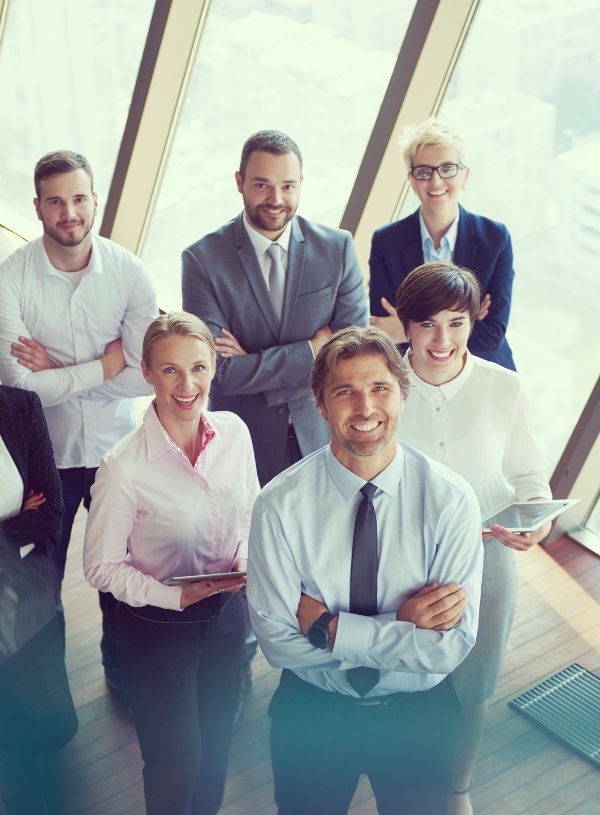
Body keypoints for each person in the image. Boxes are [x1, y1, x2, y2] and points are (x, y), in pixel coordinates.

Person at [248, 326, 484, 815]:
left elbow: (449, 647)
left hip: (418, 717)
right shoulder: (277, 505)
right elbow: (276, 643)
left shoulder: (452, 501)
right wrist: (404, 626)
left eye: (380, 388)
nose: (365, 408)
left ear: (403, 395)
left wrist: (328, 627)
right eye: (345, 392)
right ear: (319, 403)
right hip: (313, 712)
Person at [83, 312, 259, 815]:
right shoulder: (123, 467)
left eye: (199, 368)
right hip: (157, 629)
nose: (188, 385)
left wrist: (243, 560)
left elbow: (251, 508)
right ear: (146, 371)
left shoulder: (235, 433)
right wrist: (174, 595)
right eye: (170, 371)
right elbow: (100, 568)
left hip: (227, 616)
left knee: (218, 748)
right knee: (177, 761)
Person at [394, 262, 552, 815]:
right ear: (406, 324)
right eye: (429, 324)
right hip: (398, 557)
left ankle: (457, 788)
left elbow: (531, 478)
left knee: (475, 683)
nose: (443, 340)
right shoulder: (381, 384)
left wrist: (537, 520)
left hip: (486, 556)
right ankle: (396, 779)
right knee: (398, 673)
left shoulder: (502, 388)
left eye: (456, 323)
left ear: (473, 321)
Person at [0, 150, 158, 697]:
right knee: (42, 581)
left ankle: (123, 669)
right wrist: (105, 363)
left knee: (124, 571)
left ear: (95, 200)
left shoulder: (130, 272)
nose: (69, 211)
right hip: (47, 455)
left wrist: (63, 372)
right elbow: (18, 391)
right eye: (56, 201)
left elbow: (145, 379)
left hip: (118, 448)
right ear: (38, 207)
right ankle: (48, 695)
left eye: (79, 198)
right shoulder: (11, 278)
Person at [182, 129, 369, 488]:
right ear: (239, 182)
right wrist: (312, 350)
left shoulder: (337, 248)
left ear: (301, 183)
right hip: (243, 442)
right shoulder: (202, 260)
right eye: (262, 185)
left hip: (324, 434)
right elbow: (218, 372)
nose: (276, 199)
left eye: (287, 186)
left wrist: (251, 361)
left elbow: (353, 356)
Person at [369, 118, 515, 370]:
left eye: (447, 168)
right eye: (424, 171)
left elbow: (491, 336)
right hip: (415, 376)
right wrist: (463, 320)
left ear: (465, 175)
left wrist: (410, 328)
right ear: (411, 179)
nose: (436, 182)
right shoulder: (386, 242)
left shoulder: (495, 238)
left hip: (483, 369)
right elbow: (384, 329)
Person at [0, 385, 78, 814]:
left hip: (25, 599)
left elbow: (50, 513)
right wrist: (14, 521)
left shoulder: (18, 406)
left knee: (34, 746)